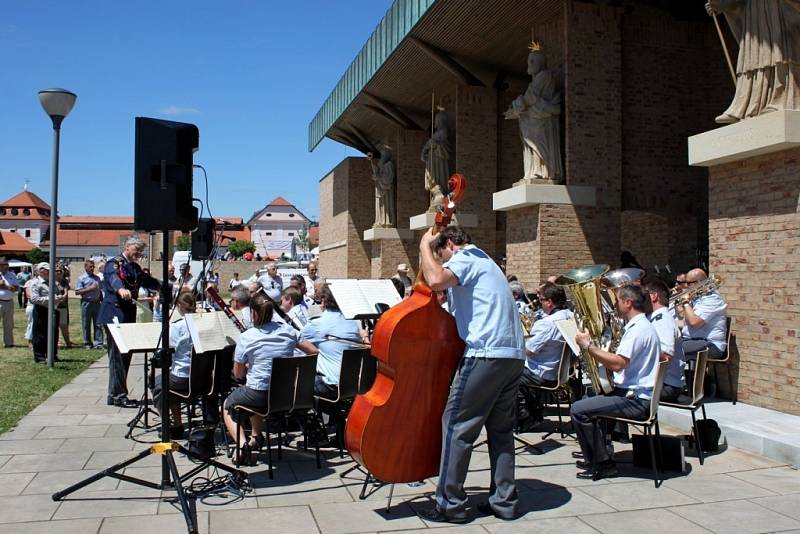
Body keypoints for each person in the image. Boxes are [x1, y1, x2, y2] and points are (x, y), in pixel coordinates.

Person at [417, 226, 525, 523]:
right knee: (501, 432)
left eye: (442, 256)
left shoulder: (464, 257)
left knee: (456, 425)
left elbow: (436, 279)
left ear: (449, 244)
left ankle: (450, 504)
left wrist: (426, 246)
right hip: (512, 355)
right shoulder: (488, 262)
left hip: (486, 355)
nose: (442, 262)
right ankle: (504, 501)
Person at [570, 285, 661, 480]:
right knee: (591, 397)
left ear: (628, 303)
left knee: (578, 410)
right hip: (635, 395)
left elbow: (618, 364)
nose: (615, 305)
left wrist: (588, 346)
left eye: (617, 300)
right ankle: (599, 454)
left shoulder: (638, 330)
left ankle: (603, 464)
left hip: (636, 401)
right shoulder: (642, 326)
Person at [221, 293, 317, 462]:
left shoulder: (247, 337)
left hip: (260, 394)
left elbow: (238, 374)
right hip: (286, 394)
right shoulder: (288, 330)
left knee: (228, 405)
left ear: (253, 314)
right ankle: (256, 437)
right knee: (253, 392)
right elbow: (313, 352)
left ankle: (242, 444)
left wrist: (252, 366)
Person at [99, 237, 161, 408]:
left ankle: (115, 393)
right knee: (118, 356)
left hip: (127, 316)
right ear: (127, 247)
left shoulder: (134, 267)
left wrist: (165, 287)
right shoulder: (114, 264)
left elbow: (147, 281)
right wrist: (120, 289)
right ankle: (118, 395)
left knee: (125, 355)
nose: (139, 253)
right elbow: (113, 279)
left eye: (142, 251)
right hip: (114, 315)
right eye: (137, 250)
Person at [151, 292, 208, 438]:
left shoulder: (177, 327)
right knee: (168, 386)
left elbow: (168, 349)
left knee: (158, 384)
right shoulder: (204, 325)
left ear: (179, 307)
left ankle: (169, 423)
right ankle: (178, 424)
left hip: (183, 377)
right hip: (204, 378)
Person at [518, 282, 573, 430]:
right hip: (559, 373)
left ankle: (525, 416)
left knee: (504, 372)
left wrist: (517, 340)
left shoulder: (547, 323)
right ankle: (532, 411)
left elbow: (529, 351)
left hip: (541, 374)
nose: (538, 302)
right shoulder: (571, 316)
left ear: (549, 302)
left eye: (540, 299)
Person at [299, 283, 362, 399]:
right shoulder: (353, 323)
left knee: (296, 380)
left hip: (330, 385)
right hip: (352, 384)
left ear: (323, 300)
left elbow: (296, 342)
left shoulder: (317, 324)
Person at [644, 279, 684, 402]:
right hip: (661, 383)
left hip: (666, 386)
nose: (638, 300)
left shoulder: (662, 320)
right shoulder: (654, 318)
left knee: (616, 395)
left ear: (653, 296)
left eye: (643, 295)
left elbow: (666, 356)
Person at [677, 268, 728, 360]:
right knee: (664, 343)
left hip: (710, 344)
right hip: (692, 340)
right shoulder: (698, 299)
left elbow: (694, 322)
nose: (685, 286)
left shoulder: (712, 299)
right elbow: (685, 322)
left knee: (670, 350)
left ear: (699, 282)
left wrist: (685, 303)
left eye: (688, 283)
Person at [29, 263, 63, 363]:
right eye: (48, 271)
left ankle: (52, 354)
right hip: (41, 310)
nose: (50, 272)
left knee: (54, 333)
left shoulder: (52, 282)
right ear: (41, 271)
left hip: (53, 309)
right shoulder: (36, 283)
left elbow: (58, 293)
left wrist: (59, 297)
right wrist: (51, 299)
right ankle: (40, 357)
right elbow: (34, 299)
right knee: (40, 333)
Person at [75, 259, 104, 349]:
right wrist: (90, 288)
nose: (92, 268)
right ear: (85, 267)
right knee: (86, 323)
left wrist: (101, 300)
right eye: (90, 267)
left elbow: (100, 290)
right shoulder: (81, 278)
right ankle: (87, 343)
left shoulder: (97, 278)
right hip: (86, 302)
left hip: (96, 303)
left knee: (98, 323)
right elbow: (77, 292)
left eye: (93, 267)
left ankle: (98, 343)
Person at [0, 257, 19, 347]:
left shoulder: (12, 274)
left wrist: (6, 286)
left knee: (9, 324)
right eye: (3, 264)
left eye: (6, 264)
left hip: (9, 302)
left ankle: (9, 343)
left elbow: (16, 288)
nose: (5, 266)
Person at [54, 265, 73, 348]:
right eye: (56, 271)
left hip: (63, 306)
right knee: (55, 325)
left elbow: (66, 291)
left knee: (64, 325)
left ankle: (68, 342)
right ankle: (56, 342)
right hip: (54, 306)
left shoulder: (64, 281)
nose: (58, 272)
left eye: (60, 271)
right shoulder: (51, 281)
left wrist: (63, 297)